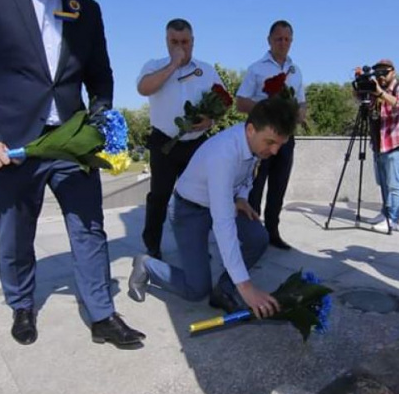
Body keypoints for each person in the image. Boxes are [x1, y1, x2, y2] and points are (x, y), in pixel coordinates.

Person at [0, 0, 145, 348]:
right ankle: (21, 304)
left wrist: (99, 121)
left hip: (71, 141)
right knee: (17, 230)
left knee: (89, 227)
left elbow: (100, 74)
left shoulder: (86, 7)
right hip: (11, 141)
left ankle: (101, 313)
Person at [127, 98, 298, 318]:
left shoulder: (257, 142)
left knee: (258, 237)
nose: (274, 151)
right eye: (271, 142)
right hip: (188, 210)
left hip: (222, 201)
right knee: (196, 289)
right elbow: (223, 223)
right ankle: (147, 265)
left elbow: (246, 175)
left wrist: (242, 198)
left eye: (280, 144)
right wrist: (247, 288)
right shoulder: (224, 154)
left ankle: (225, 289)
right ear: (250, 130)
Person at [137, 18, 225, 260]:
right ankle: (152, 245)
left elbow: (224, 101)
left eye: (185, 42)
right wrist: (173, 65)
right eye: (174, 42)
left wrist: (211, 120)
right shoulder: (154, 66)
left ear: (193, 41)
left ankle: (197, 246)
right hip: (164, 142)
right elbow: (143, 88)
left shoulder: (207, 70)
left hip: (196, 144)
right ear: (166, 41)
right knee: (159, 196)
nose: (180, 46)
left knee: (198, 199)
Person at [236, 20, 306, 250]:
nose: (283, 43)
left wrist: (296, 113)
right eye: (278, 39)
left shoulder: (296, 71)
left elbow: (302, 105)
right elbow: (241, 102)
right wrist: (268, 105)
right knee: (255, 186)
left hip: (285, 138)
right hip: (261, 139)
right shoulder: (256, 68)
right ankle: (251, 235)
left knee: (279, 186)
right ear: (269, 40)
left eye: (287, 39)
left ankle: (272, 232)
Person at [367, 59, 399, 233]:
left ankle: (394, 220)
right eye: (377, 73)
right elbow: (362, 103)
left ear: (393, 72)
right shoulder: (376, 91)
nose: (381, 77)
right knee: (384, 184)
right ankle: (385, 213)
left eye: (384, 73)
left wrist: (381, 94)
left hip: (396, 143)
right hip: (379, 143)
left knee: (394, 184)